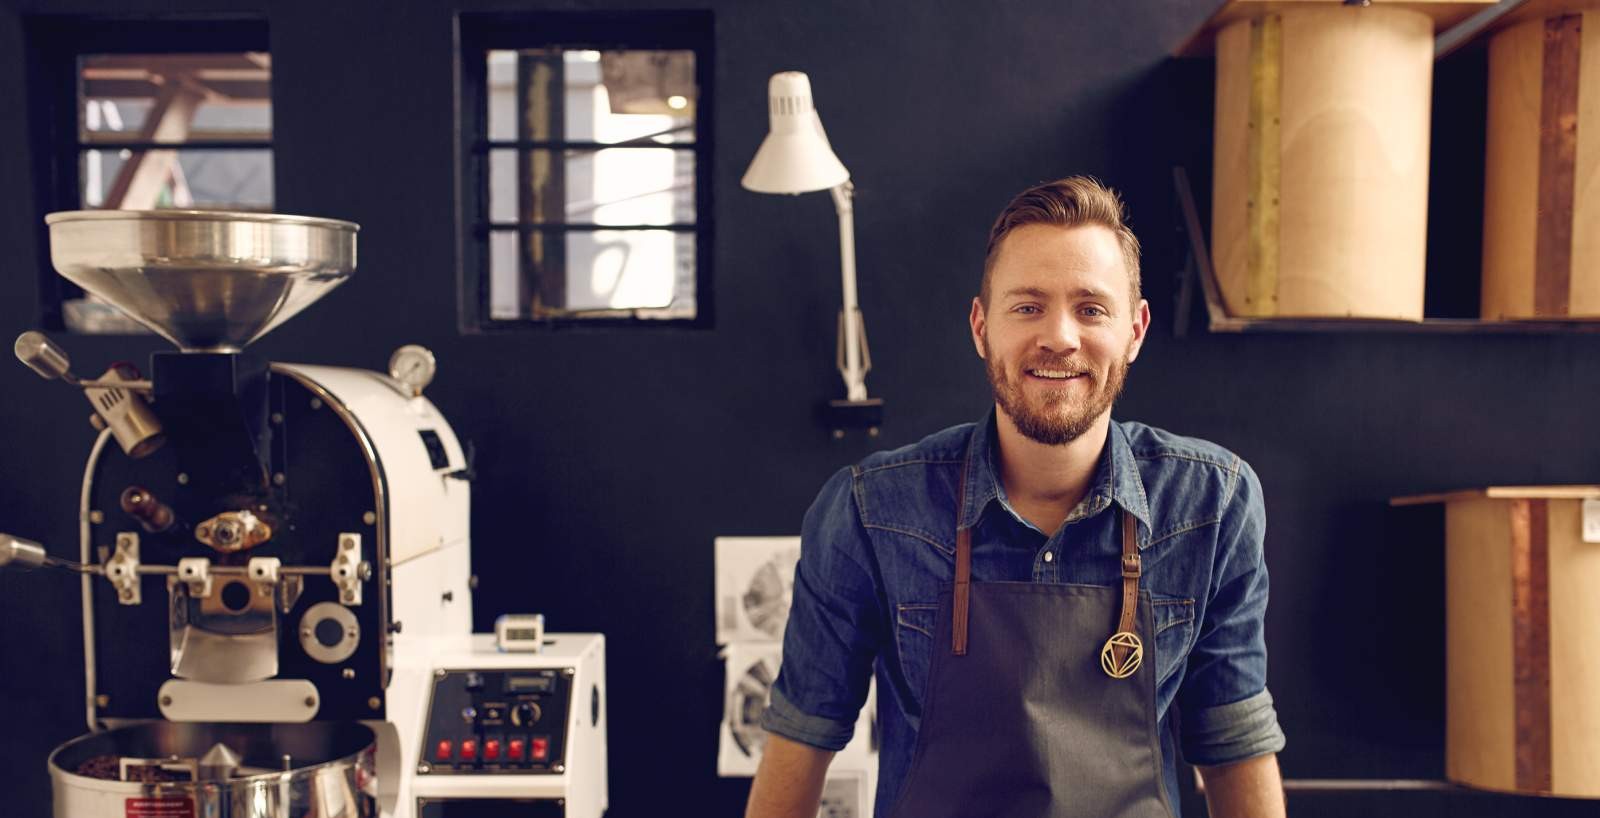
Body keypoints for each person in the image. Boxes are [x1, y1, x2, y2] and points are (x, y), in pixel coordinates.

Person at [745, 177, 1287, 818]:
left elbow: (1232, 742)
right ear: (982, 326)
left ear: (1135, 330)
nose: (1060, 337)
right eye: (1027, 307)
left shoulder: (1211, 502)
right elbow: (802, 738)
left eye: (1091, 308)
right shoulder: (870, 511)